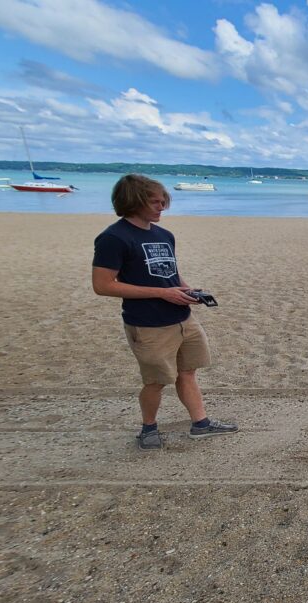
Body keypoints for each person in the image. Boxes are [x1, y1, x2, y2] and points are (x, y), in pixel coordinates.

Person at [92, 174, 237, 450]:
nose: (162, 207)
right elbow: (103, 286)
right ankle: (148, 429)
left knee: (188, 372)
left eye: (163, 201)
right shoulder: (113, 238)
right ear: (133, 201)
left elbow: (170, 273)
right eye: (155, 202)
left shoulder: (164, 235)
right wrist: (161, 293)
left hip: (182, 318)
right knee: (156, 381)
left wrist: (186, 291)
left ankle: (201, 424)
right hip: (148, 324)